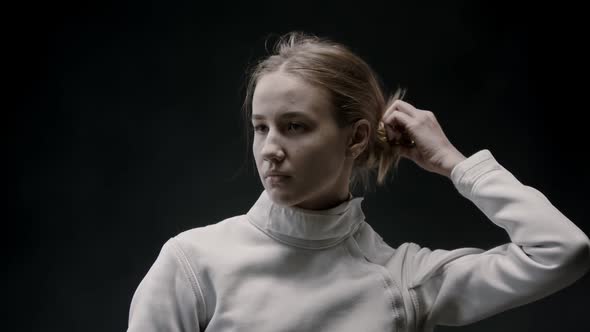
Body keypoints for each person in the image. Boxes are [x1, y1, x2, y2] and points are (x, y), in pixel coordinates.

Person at [126, 31, 590, 332]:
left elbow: (562, 251)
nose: (269, 147)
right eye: (260, 126)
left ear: (357, 138)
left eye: (295, 126)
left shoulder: (404, 281)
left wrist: (454, 163)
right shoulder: (193, 262)